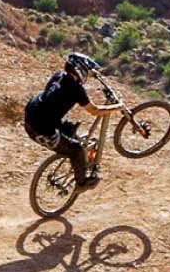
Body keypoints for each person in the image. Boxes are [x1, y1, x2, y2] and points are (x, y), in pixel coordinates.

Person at [23, 51, 121, 188]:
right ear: (79, 71)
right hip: (41, 130)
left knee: (69, 127)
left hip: (31, 117)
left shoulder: (58, 76)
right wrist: (117, 107)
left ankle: (75, 158)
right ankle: (82, 182)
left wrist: (91, 73)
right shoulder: (76, 90)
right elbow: (95, 111)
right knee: (77, 149)